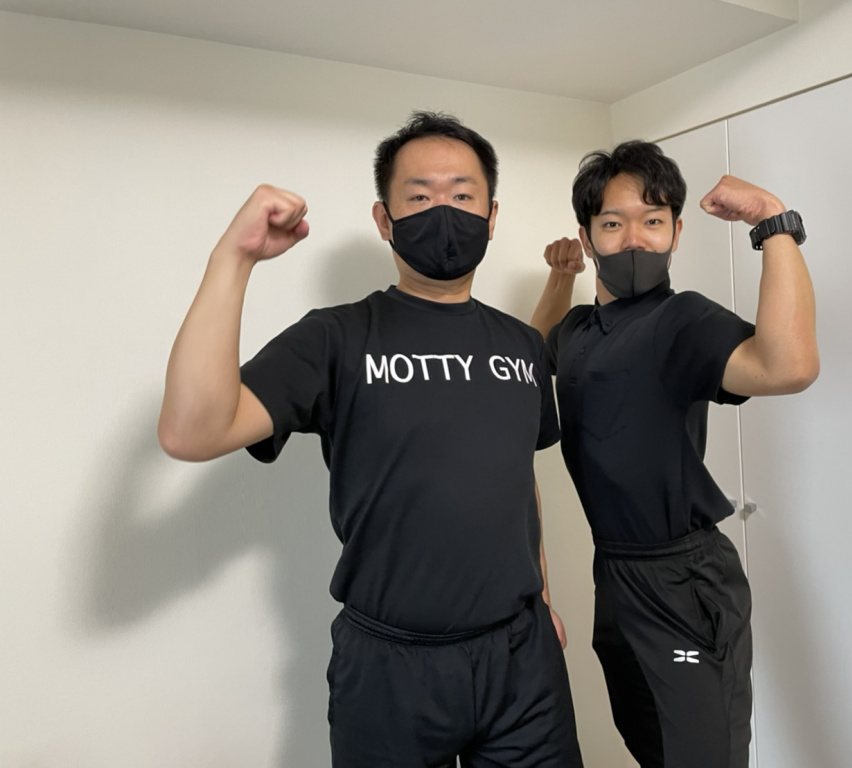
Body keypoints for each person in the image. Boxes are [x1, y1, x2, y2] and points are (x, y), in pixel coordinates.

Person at [158, 111, 583, 768]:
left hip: (522, 660)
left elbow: (516, 481)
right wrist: (233, 258)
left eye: (462, 195)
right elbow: (193, 430)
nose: (444, 212)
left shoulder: (523, 345)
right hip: (391, 668)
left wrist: (544, 599)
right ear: (385, 220)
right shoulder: (336, 337)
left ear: (491, 216)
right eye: (420, 197)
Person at [530, 140, 818, 768]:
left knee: (703, 756)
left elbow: (789, 365)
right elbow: (532, 352)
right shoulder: (577, 332)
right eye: (613, 224)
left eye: (653, 221)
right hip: (615, 573)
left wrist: (773, 222)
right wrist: (561, 277)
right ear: (588, 237)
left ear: (676, 233)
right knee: (649, 744)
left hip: (683, 578)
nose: (635, 239)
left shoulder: (682, 320)